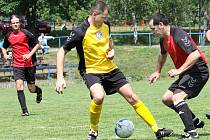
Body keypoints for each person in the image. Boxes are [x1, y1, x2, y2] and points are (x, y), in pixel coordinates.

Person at [55, 1, 173, 140]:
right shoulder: (80, 31)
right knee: (98, 97)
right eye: (103, 17)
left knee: (133, 97)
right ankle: (93, 131)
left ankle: (157, 130)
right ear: (94, 15)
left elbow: (109, 40)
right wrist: (60, 77)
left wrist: (112, 50)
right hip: (91, 70)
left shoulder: (106, 25)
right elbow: (61, 52)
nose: (105, 20)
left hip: (110, 69)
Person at [148, 13, 209, 140]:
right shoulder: (163, 39)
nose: (152, 32)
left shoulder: (178, 35)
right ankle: (194, 121)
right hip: (187, 72)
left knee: (177, 97)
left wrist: (178, 70)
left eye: (153, 29)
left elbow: (195, 54)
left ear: (161, 25)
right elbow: (163, 54)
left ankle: (192, 133)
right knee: (167, 99)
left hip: (198, 71)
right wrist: (157, 71)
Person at [2, 15, 43, 116]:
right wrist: (5, 55)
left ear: (19, 23)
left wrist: (29, 54)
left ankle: (39, 91)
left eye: (17, 22)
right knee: (19, 86)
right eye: (13, 23)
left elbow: (38, 44)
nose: (15, 24)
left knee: (31, 89)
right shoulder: (8, 36)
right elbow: (3, 47)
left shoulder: (26, 33)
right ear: (10, 24)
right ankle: (25, 111)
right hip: (17, 65)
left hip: (29, 64)